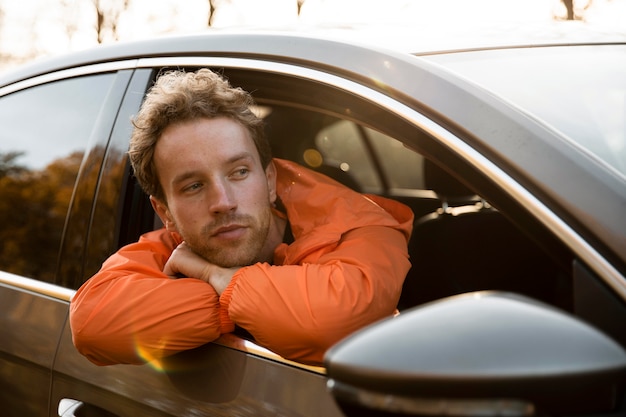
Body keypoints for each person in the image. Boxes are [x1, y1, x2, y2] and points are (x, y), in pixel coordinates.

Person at [69, 68, 413, 366]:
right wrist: (255, 303)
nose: (223, 202)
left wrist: (214, 276)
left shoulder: (362, 228)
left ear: (271, 181)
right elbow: (91, 322)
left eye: (239, 172)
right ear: (165, 213)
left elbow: (330, 322)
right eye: (193, 186)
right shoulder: (176, 244)